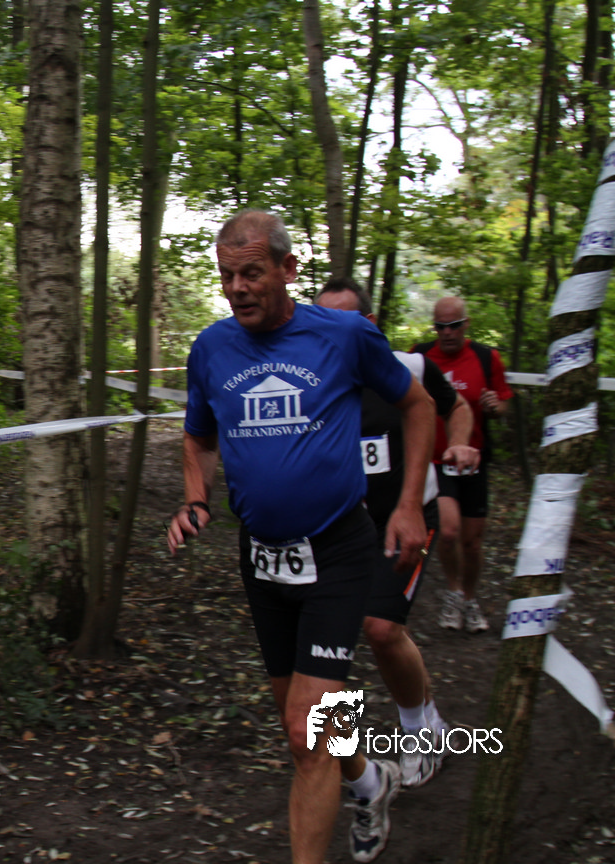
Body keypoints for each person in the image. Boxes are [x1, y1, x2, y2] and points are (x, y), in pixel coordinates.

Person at [168, 210, 435, 864]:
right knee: (305, 724)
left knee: (305, 732)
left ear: (288, 269)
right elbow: (198, 436)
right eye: (227, 275)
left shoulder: (344, 335)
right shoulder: (211, 349)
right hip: (262, 560)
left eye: (252, 272)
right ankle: (369, 783)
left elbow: (419, 405)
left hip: (338, 550)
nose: (237, 288)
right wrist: (196, 499)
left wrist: (408, 505)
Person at [316, 278, 479, 790]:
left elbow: (457, 407)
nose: (332, 332)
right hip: (341, 529)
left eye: (344, 320)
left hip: (407, 519)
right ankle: (414, 732)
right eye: (323, 321)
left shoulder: (409, 368)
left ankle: (418, 735)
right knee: (343, 643)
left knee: (382, 629)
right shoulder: (312, 381)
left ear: (369, 324)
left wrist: (459, 444)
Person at [409, 297, 513, 634]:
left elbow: (503, 403)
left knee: (472, 541)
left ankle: (469, 597)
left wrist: (495, 406)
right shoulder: (420, 356)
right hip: (435, 459)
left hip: (473, 459)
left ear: (465, 324)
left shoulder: (485, 357)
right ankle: (453, 592)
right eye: (440, 327)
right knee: (449, 531)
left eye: (454, 326)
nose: (447, 333)